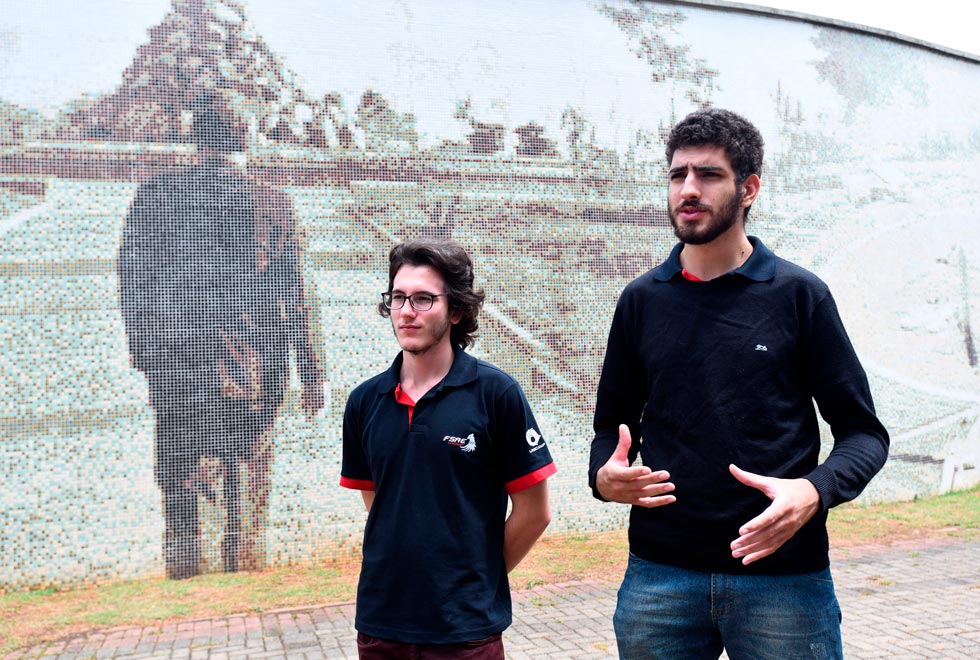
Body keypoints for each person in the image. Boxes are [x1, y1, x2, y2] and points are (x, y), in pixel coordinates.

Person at [589, 107, 889, 659]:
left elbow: (864, 434)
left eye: (708, 175)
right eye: (678, 175)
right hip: (659, 578)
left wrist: (813, 491)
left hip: (785, 581)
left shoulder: (799, 295)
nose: (688, 189)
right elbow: (612, 426)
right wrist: (605, 478)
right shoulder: (641, 301)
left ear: (748, 188)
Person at [118, 93, 323, 579]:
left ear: (195, 137)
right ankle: (242, 595)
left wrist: (149, 358)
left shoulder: (154, 196)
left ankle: (189, 595)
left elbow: (132, 282)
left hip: (177, 375)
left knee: (184, 488)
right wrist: (312, 375)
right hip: (252, 376)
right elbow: (295, 296)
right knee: (246, 491)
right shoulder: (272, 203)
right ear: (247, 138)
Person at [341, 238, 556, 659]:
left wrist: (476, 578)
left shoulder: (497, 394)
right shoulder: (364, 401)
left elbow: (535, 512)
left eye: (423, 299)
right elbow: (380, 501)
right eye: (399, 297)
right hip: (381, 626)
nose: (406, 311)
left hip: (466, 633)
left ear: (456, 310)